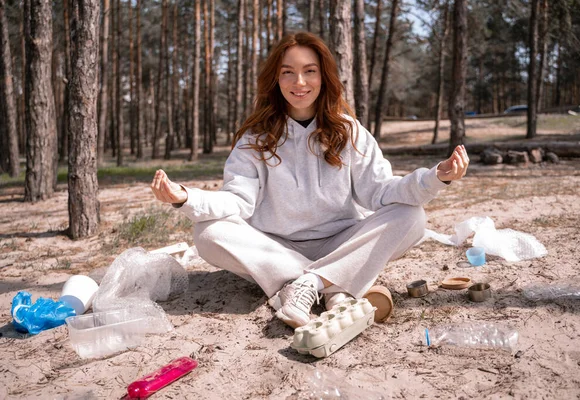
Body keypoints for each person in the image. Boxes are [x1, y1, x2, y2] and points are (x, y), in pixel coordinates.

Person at [151, 32, 469, 329]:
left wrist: (435, 177)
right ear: (276, 79)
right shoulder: (254, 139)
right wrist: (185, 197)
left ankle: (307, 285)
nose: (299, 82)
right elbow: (237, 202)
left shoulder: (350, 132)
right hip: (277, 248)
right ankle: (335, 283)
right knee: (207, 233)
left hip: (343, 240)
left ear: (324, 76)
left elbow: (382, 193)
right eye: (288, 72)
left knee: (412, 216)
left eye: (310, 71)